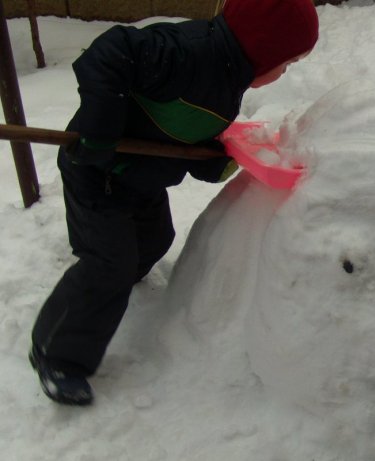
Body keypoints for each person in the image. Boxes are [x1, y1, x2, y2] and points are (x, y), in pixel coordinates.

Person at [29, 0, 319, 406]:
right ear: (262, 47)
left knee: (155, 240)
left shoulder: (228, 76)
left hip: (139, 179)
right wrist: (100, 130)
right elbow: (110, 52)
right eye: (286, 62)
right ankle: (56, 354)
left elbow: (181, 126)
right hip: (97, 173)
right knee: (108, 263)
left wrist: (212, 157)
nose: (285, 71)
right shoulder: (187, 52)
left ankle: (110, 286)